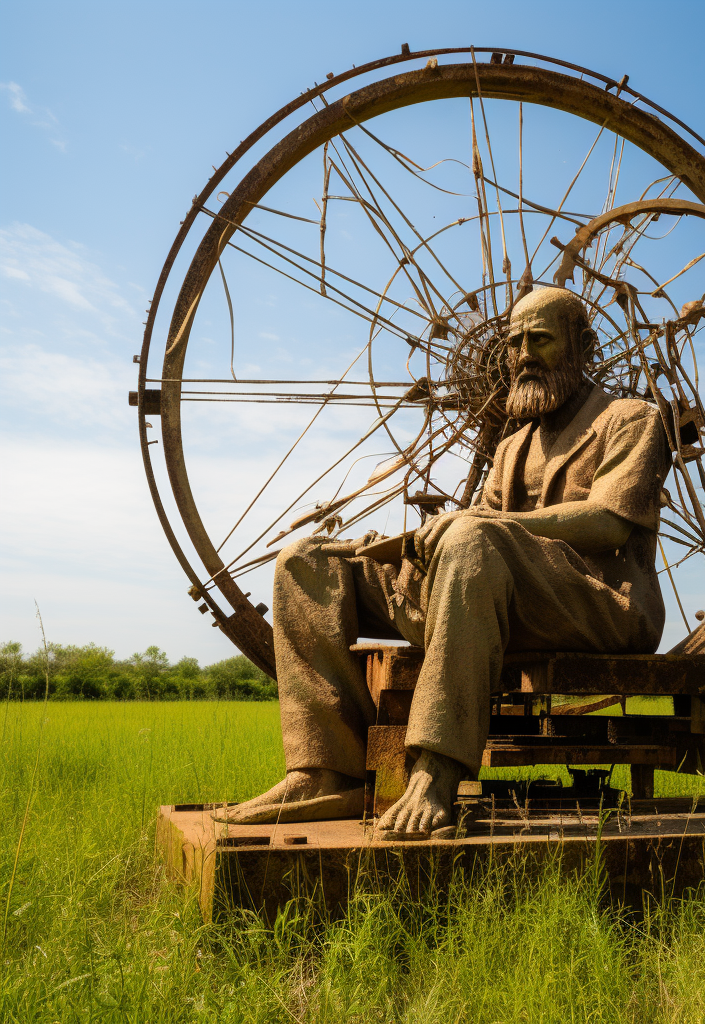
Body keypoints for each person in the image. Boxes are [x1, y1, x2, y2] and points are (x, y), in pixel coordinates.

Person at [215, 286, 671, 836]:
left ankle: (436, 773)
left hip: (598, 603)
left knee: (470, 541)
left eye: (541, 340)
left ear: (584, 345)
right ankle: (325, 772)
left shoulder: (630, 418)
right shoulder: (513, 446)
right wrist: (407, 547)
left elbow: (608, 523)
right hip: (497, 598)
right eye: (514, 343)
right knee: (308, 562)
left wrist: (474, 528)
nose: (523, 354)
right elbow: (477, 541)